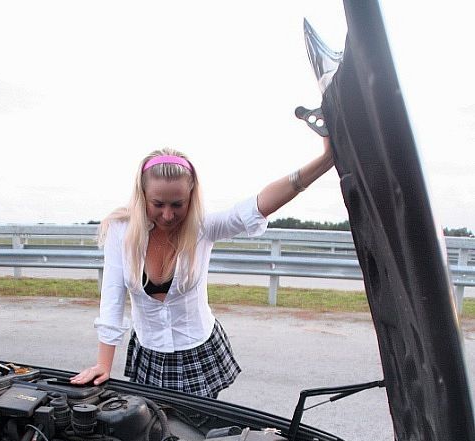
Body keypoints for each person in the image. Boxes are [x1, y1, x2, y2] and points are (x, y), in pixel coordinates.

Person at [70, 140, 334, 396]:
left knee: (196, 426)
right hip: (148, 354)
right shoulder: (120, 230)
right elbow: (112, 298)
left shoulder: (203, 227)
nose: (168, 215)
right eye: (158, 204)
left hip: (197, 351)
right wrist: (103, 364)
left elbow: (258, 205)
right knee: (149, 424)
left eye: (178, 204)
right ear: (142, 196)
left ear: (191, 196)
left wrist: (326, 160)